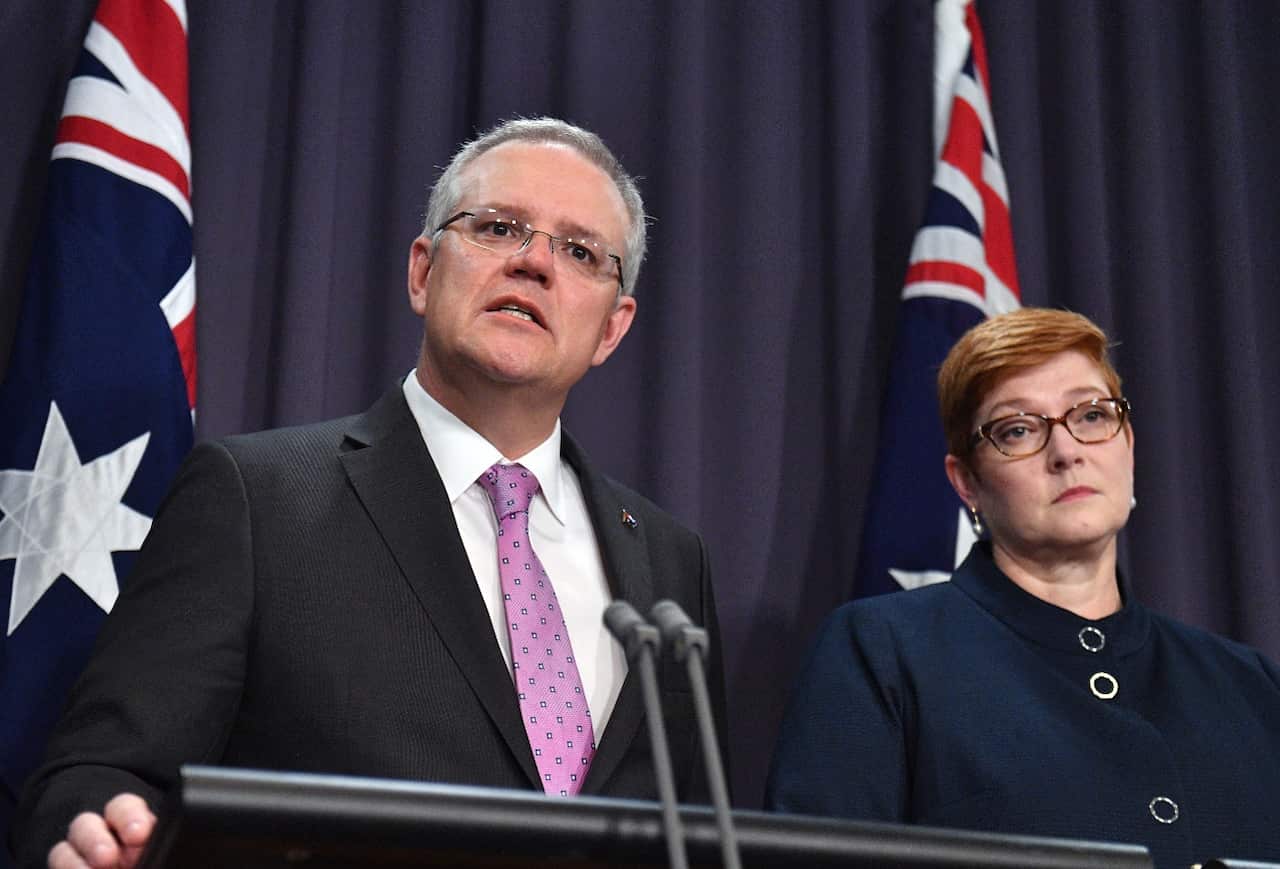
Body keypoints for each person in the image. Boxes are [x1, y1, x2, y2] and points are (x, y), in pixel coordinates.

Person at [12, 118, 725, 869]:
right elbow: (103, 773)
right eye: (498, 226)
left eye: (580, 251)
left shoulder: (672, 568)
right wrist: (104, 834)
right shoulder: (257, 501)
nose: (534, 262)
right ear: (422, 271)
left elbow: (699, 835)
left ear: (612, 329)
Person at [765, 308, 1280, 868]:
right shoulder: (882, 652)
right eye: (1018, 430)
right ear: (967, 484)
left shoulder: (1250, 685)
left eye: (1090, 415)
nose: (1067, 452)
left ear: (1127, 444)